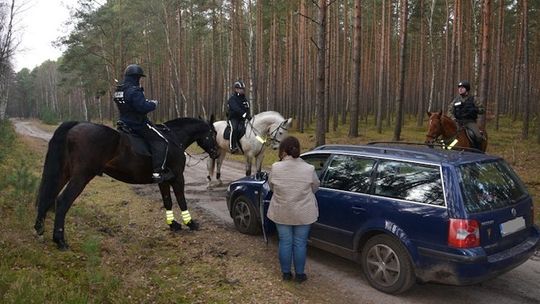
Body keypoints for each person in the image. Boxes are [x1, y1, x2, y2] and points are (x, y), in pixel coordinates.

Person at [267, 136, 320, 283]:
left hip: (282, 210)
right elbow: (315, 187)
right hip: (304, 212)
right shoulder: (309, 169)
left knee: (285, 242)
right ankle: (300, 275)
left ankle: (286, 273)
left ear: (283, 150)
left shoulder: (275, 167)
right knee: (300, 243)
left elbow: (271, 186)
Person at [114, 64, 173, 183]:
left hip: (123, 122)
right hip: (137, 124)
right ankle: (158, 172)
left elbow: (129, 104)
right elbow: (141, 107)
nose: (139, 80)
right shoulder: (134, 90)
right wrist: (153, 104)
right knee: (161, 141)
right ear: (136, 77)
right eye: (139, 78)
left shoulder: (119, 90)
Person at [447, 80, 485, 150]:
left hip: (469, 122)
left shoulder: (474, 99)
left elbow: (482, 110)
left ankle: (478, 151)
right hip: (457, 122)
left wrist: (475, 110)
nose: (460, 89)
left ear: (467, 89)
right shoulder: (456, 100)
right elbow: (449, 111)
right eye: (459, 88)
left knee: (478, 136)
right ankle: (446, 149)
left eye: (462, 88)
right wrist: (453, 119)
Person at [226, 80, 251, 153]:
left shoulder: (244, 99)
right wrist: (244, 114)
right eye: (241, 89)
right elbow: (236, 108)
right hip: (233, 118)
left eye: (243, 89)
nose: (243, 90)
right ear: (236, 89)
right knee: (234, 129)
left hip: (242, 119)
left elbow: (247, 108)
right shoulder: (232, 99)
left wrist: (249, 116)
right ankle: (232, 146)